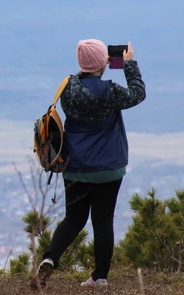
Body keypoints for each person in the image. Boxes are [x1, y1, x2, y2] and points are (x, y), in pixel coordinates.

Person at [32, 39, 146, 290]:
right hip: (108, 167)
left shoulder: (67, 89)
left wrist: (97, 65)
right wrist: (129, 65)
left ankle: (50, 257)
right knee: (103, 222)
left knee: (73, 219)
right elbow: (138, 94)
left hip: (76, 166)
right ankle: (99, 277)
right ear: (103, 62)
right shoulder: (111, 91)